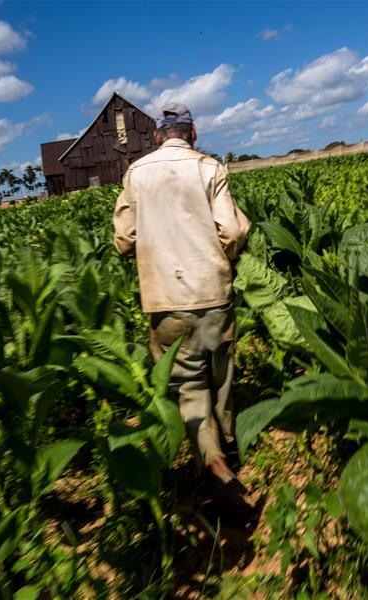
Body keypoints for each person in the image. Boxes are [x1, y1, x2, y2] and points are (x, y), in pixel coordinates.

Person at [113, 102, 251, 498]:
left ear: (157, 136)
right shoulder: (210, 168)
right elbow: (232, 231)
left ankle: (210, 461)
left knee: (188, 384)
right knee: (220, 373)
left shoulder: (136, 173)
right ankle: (230, 444)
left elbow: (124, 240)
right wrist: (219, 259)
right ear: (193, 133)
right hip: (211, 292)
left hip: (165, 298)